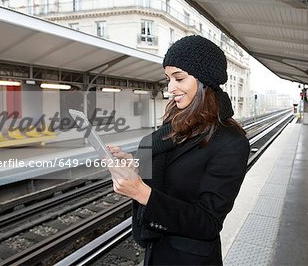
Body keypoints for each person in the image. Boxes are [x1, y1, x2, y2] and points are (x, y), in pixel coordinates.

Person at [107, 35, 250, 265]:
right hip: (157, 252)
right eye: (168, 79)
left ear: (205, 81)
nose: (170, 88)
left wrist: (142, 193)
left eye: (179, 78)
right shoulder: (177, 125)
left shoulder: (231, 142)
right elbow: (171, 169)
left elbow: (208, 222)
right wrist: (137, 163)